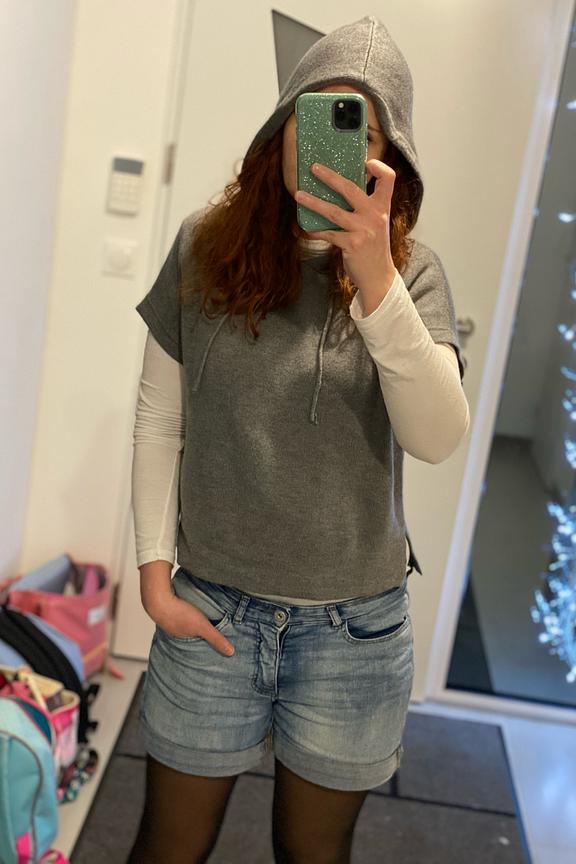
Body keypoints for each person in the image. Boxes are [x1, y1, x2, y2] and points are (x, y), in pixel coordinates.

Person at [127, 14, 470, 864]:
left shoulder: (413, 275)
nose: (330, 145)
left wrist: (375, 280)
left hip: (355, 634)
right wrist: (154, 578)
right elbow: (159, 416)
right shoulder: (205, 248)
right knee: (164, 850)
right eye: (316, 115)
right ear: (281, 125)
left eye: (361, 130)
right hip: (211, 612)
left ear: (391, 159)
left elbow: (436, 438)